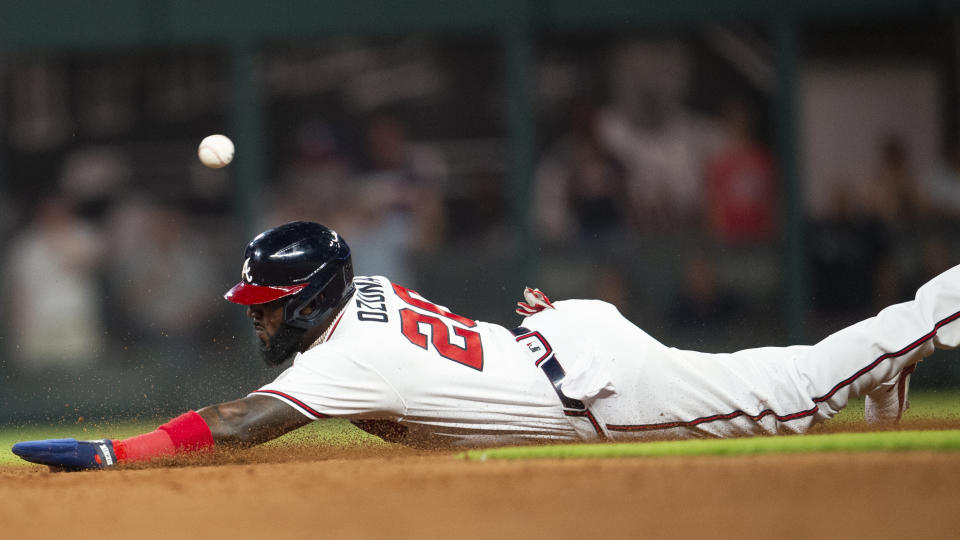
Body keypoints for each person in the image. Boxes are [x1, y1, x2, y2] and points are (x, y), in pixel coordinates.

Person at [12, 220, 960, 469]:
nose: (255, 319)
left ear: (307, 303)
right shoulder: (367, 297)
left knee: (793, 400)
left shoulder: (344, 358)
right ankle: (890, 367)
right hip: (555, 336)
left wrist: (111, 451)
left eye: (266, 305)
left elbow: (234, 423)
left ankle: (929, 315)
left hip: (598, 386)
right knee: (793, 384)